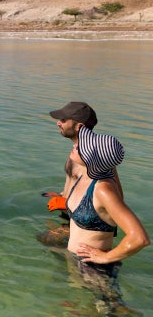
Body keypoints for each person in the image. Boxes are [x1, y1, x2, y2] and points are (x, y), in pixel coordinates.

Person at [48, 101, 150, 311]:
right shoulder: (87, 176)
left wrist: (105, 257)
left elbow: (140, 239)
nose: (76, 147)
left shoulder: (103, 189)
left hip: (95, 269)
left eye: (81, 146)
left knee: (115, 311)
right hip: (80, 262)